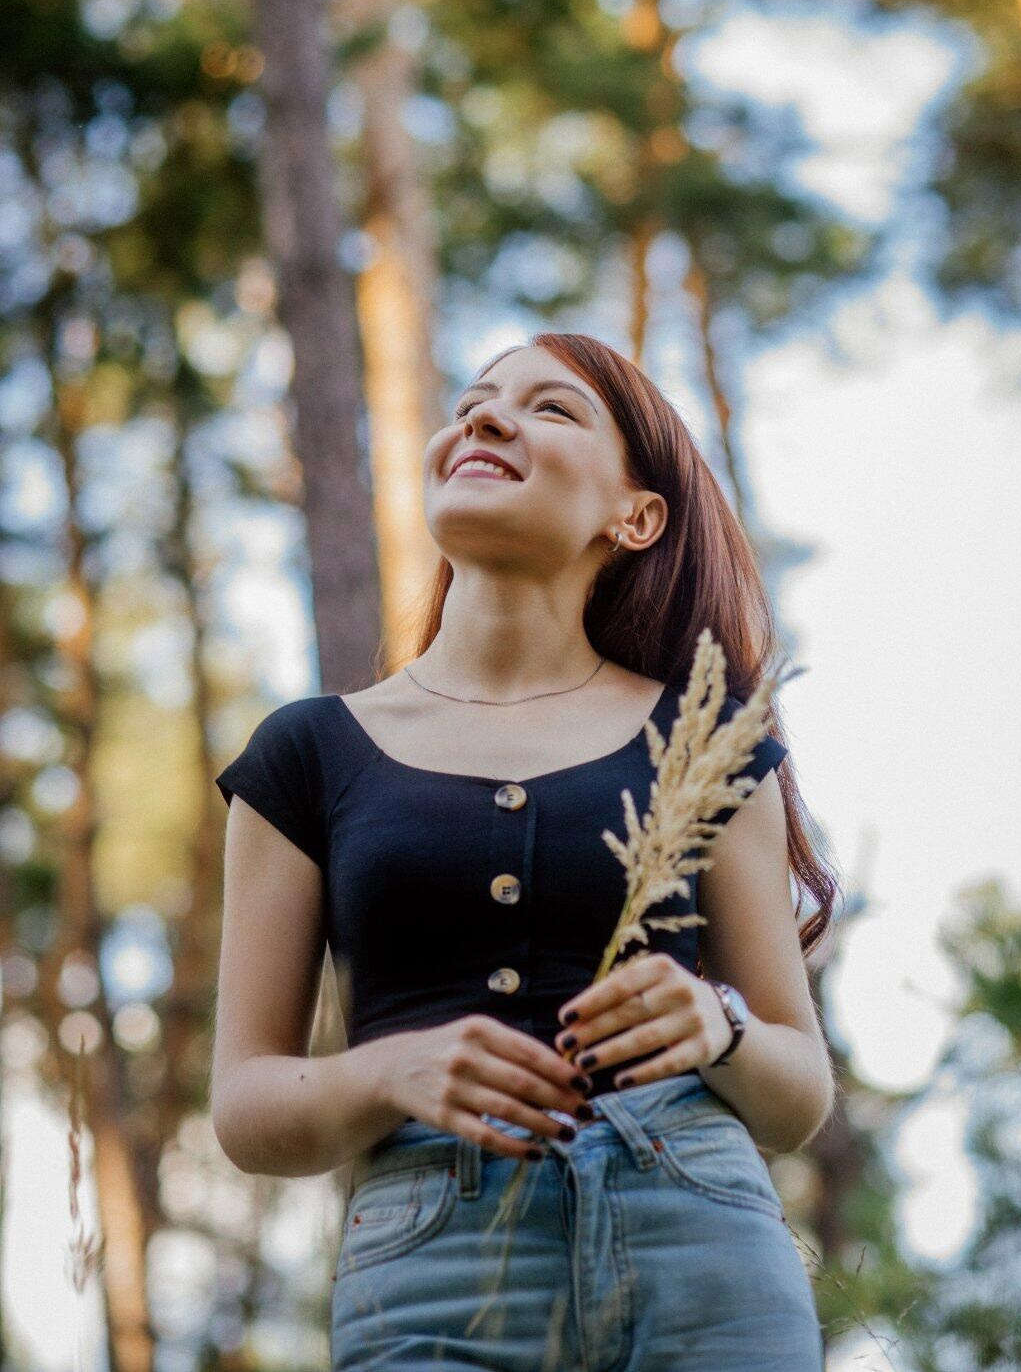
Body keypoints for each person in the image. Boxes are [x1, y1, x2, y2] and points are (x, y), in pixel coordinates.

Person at [211, 331, 840, 1371]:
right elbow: (244, 1107)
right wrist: (390, 1069)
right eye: (472, 400)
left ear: (632, 517)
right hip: (429, 1269)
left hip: (705, 1246)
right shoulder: (306, 751)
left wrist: (717, 1024)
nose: (485, 417)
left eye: (551, 409)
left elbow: (797, 1089)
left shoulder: (708, 735)